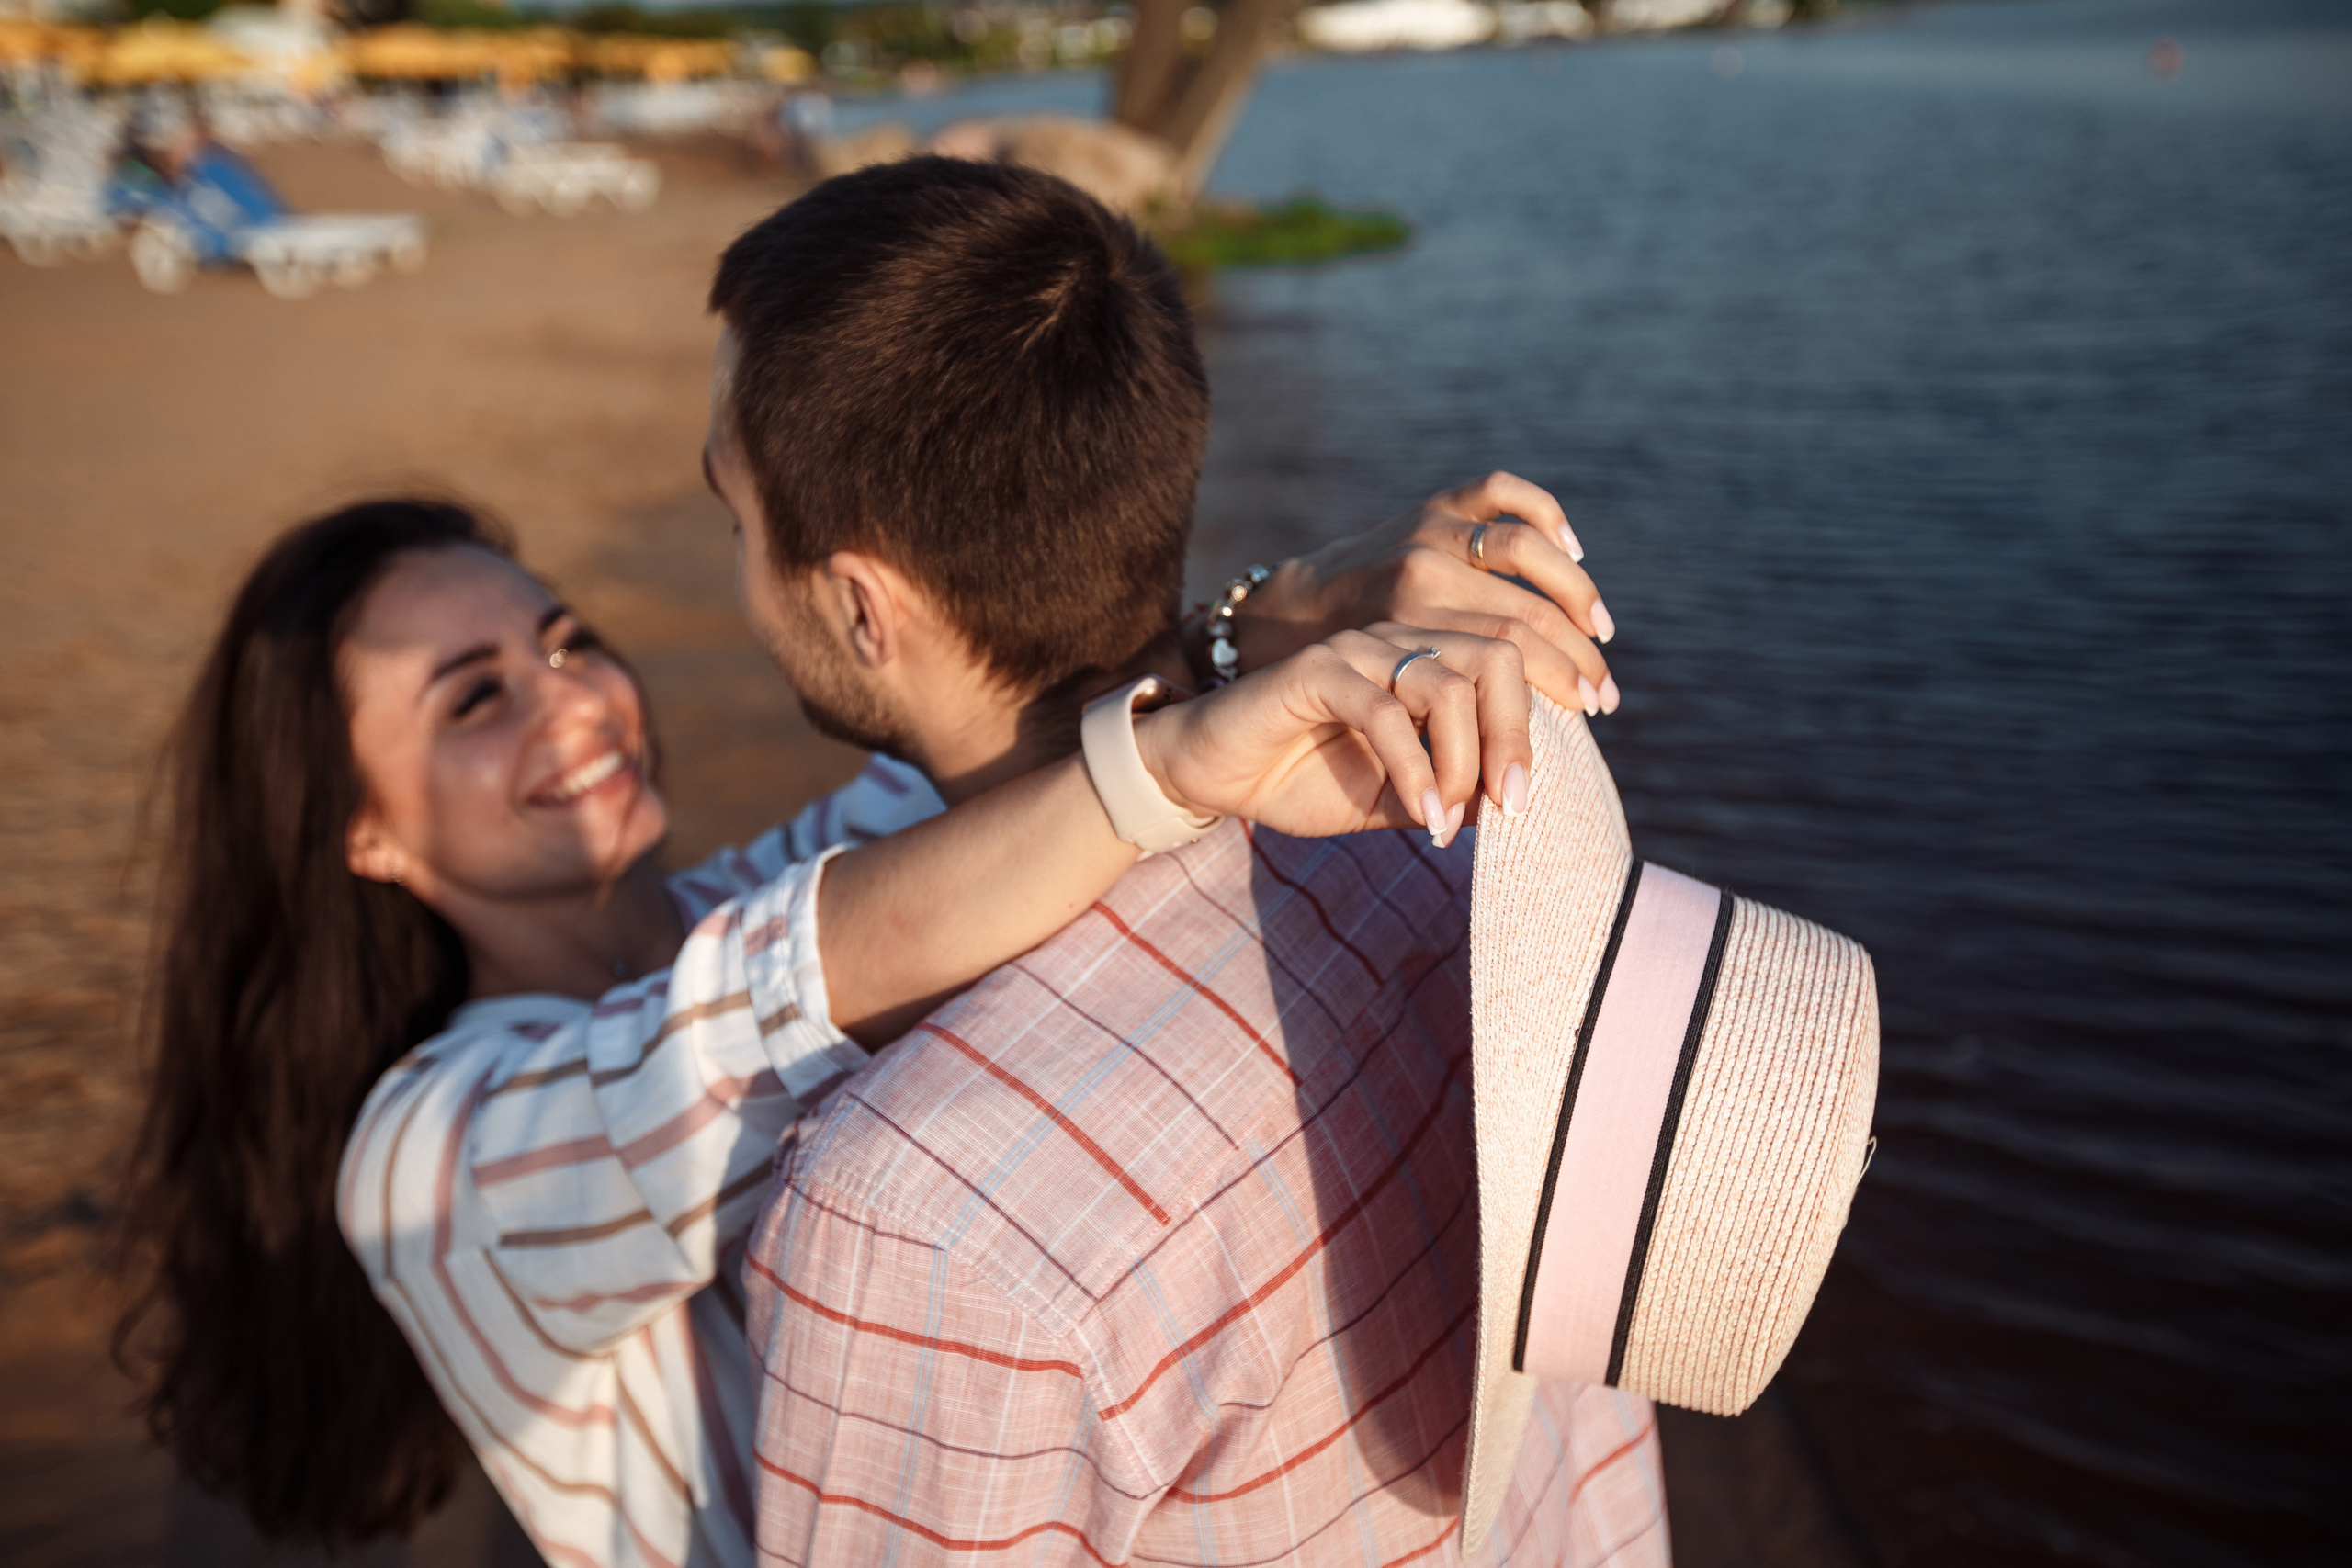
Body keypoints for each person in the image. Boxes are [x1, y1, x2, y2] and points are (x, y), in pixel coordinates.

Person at [119, 196, 1623, 1568]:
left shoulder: (767, 889)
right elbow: (733, 1029)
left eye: (564, 640)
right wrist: (1182, 757)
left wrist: (1273, 613)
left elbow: (1002, 771)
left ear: (847, 601)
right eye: (474, 700)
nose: (576, 703)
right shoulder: (422, 1156)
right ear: (356, 835)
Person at [710, 160, 1666, 1563]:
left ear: (864, 608)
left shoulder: (910, 1220)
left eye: (736, 521)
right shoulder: (1464, 837)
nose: (734, 560)